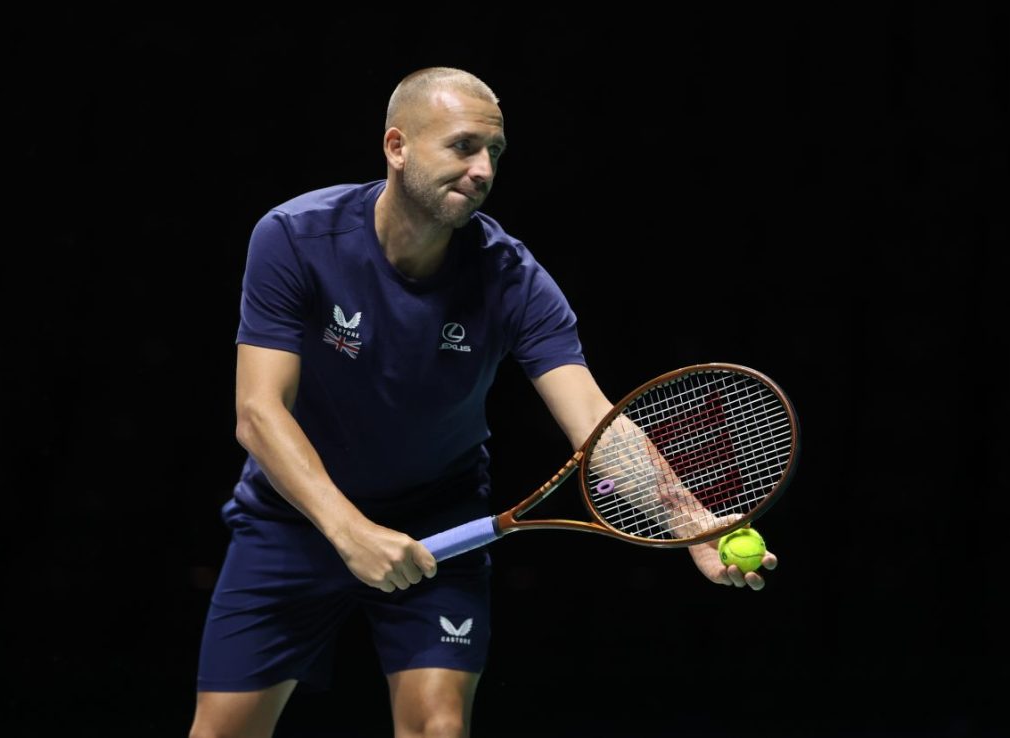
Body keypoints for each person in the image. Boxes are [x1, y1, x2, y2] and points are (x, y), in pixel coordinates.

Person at [189, 66, 778, 738]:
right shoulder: (294, 237)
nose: (482, 170)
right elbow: (259, 411)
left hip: (439, 518)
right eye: (463, 146)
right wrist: (350, 531)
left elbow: (592, 418)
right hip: (295, 517)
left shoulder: (513, 278)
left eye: (494, 153)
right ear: (397, 146)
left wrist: (691, 522)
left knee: (438, 728)